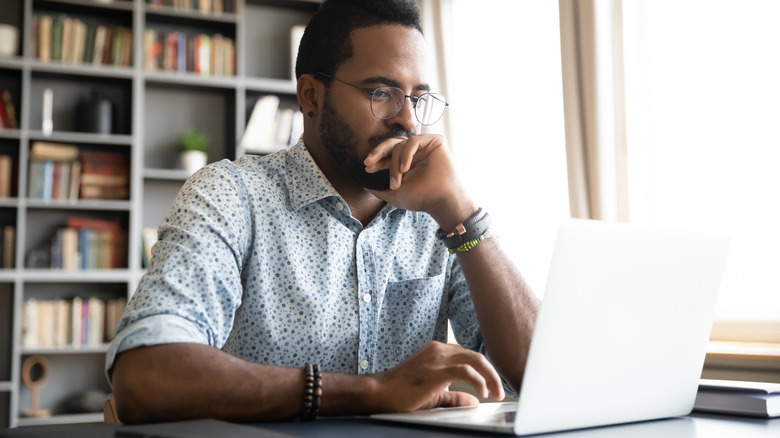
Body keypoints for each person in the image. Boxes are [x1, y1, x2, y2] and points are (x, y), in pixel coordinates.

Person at [107, 0, 539, 424]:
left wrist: (462, 211)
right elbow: (146, 374)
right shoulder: (232, 195)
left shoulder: (440, 216)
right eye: (381, 93)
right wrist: (372, 392)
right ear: (310, 95)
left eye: (418, 98)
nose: (408, 120)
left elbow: (539, 374)